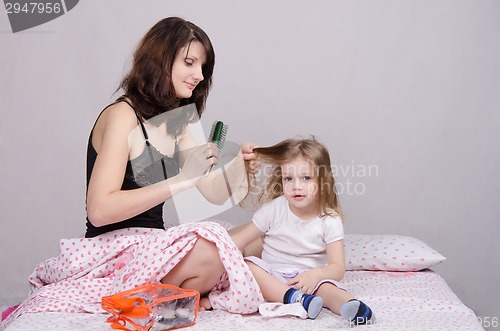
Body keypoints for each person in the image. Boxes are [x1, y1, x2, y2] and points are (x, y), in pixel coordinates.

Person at [1, 17, 262, 328]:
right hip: (112, 250)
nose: (199, 75)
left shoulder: (179, 120)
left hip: (153, 246)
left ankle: (164, 294)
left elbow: (213, 192)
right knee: (216, 247)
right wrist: (180, 179)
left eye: (203, 67)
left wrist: (240, 169)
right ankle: (164, 294)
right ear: (161, 60)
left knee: (251, 242)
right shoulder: (122, 115)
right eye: (190, 63)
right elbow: (99, 210)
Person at [230, 138, 376, 324]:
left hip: (310, 280)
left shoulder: (329, 220)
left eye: (306, 178)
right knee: (249, 266)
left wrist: (317, 274)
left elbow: (338, 268)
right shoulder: (273, 210)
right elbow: (238, 242)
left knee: (329, 289)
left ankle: (352, 308)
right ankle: (295, 299)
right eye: (288, 178)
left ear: (323, 181)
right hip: (273, 278)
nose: (296, 186)